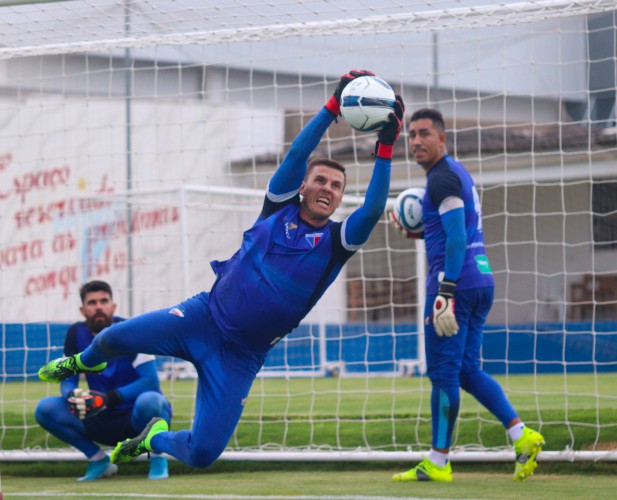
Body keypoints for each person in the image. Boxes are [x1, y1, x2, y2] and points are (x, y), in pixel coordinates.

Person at [38, 71, 405, 470]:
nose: (328, 189)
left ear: (338, 199)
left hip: (240, 357)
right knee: (111, 338)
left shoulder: (337, 243)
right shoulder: (278, 207)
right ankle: (83, 362)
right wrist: (331, 108)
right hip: (201, 318)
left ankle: (152, 439)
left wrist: (385, 148)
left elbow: (371, 209)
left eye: (336, 186)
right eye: (321, 180)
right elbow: (297, 156)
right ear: (304, 186)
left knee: (201, 454)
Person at [389, 108, 544, 483]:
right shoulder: (456, 172)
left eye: (424, 133)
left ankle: (438, 462)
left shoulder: (441, 178)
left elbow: (457, 235)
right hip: (480, 279)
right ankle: (522, 435)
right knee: (467, 371)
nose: (416, 142)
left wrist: (446, 290)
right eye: (411, 135)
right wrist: (422, 233)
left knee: (443, 375)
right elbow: (453, 230)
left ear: (442, 138)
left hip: (454, 285)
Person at [35, 280, 172, 481]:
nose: (98, 306)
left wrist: (107, 398)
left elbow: (150, 382)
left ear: (113, 307)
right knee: (46, 409)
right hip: (99, 418)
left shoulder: (131, 331)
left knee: (151, 401)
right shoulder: (75, 334)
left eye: (103, 301)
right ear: (83, 310)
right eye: (92, 302)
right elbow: (68, 381)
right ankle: (98, 460)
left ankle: (159, 458)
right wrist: (72, 395)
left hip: (136, 420)